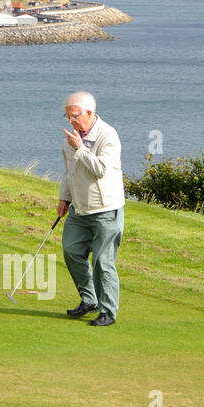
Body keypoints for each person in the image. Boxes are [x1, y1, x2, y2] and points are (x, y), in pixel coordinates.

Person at [57, 91, 124, 327]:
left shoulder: (108, 135)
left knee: (103, 263)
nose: (71, 121)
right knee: (71, 252)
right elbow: (69, 172)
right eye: (67, 117)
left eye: (74, 116)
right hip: (79, 209)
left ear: (89, 113)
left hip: (106, 209)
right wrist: (64, 198)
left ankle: (108, 312)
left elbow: (101, 169)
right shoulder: (70, 139)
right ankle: (89, 300)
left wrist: (80, 148)